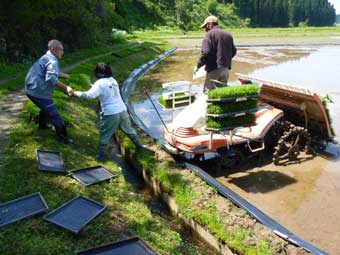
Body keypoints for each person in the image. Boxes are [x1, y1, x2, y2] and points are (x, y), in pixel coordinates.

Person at [73, 63, 147, 160]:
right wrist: (94, 87)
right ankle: (140, 147)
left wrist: (76, 93)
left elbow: (90, 95)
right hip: (122, 110)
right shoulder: (113, 80)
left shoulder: (99, 83)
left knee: (105, 134)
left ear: (98, 72)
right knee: (129, 130)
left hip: (110, 113)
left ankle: (102, 156)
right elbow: (108, 91)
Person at [25, 39, 73, 143]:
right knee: (55, 114)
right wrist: (67, 88)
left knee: (45, 107)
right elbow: (51, 79)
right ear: (53, 50)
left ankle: (42, 126)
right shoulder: (52, 60)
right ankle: (63, 138)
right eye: (61, 50)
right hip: (38, 91)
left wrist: (62, 75)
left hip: (30, 88)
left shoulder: (46, 56)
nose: (62, 52)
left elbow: (48, 70)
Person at [195, 15, 237, 93]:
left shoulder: (210, 34)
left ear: (210, 24)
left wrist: (198, 65)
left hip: (214, 70)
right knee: (221, 94)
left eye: (206, 27)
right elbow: (234, 51)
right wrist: (225, 60)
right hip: (226, 70)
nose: (205, 30)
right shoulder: (228, 34)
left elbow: (206, 52)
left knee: (208, 94)